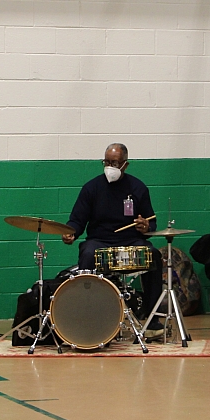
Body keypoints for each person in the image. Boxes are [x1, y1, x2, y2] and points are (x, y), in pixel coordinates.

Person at [62, 143, 163, 337]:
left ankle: (152, 319)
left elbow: (151, 222)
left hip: (131, 241)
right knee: (88, 253)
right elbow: (76, 220)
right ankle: (88, 318)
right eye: (106, 162)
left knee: (154, 255)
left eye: (114, 163)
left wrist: (146, 227)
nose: (110, 167)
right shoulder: (91, 188)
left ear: (125, 164)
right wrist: (71, 232)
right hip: (99, 241)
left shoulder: (138, 188)